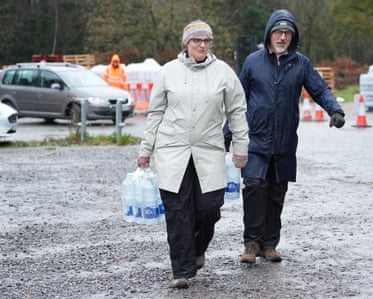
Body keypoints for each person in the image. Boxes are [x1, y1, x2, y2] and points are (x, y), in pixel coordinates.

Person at [225, 9, 345, 264]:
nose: (282, 37)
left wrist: (334, 110)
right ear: (269, 34)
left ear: (293, 37)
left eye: (287, 33)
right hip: (255, 138)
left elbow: (320, 89)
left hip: (284, 139)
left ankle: (269, 244)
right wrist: (227, 134)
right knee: (255, 188)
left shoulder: (301, 63)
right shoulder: (252, 62)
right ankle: (251, 243)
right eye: (278, 32)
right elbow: (237, 100)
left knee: (277, 192)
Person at [137, 20, 249, 289]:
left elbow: (236, 111)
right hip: (172, 151)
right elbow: (155, 114)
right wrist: (145, 150)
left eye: (206, 40)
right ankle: (182, 269)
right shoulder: (168, 72)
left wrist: (240, 149)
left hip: (208, 150)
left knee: (209, 208)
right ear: (185, 43)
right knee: (178, 212)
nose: (201, 45)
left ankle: (198, 248)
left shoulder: (223, 72)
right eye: (196, 40)